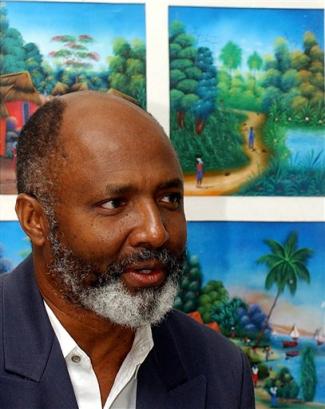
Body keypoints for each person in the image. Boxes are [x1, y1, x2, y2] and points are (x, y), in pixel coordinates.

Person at [0, 91, 255, 409]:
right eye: (114, 203)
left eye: (170, 199)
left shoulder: (221, 370)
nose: (155, 232)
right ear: (34, 219)